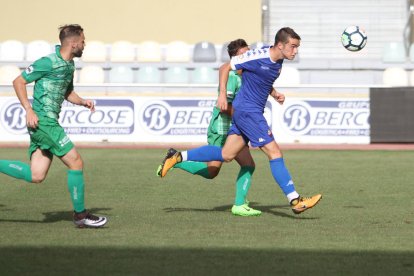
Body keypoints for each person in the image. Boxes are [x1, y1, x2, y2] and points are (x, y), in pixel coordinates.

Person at [159, 27, 322, 214]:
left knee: (227, 155)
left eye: (297, 47)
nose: (296, 51)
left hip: (246, 112)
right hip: (249, 113)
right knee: (274, 153)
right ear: (280, 45)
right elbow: (224, 67)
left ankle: (178, 157)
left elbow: (260, 79)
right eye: (293, 46)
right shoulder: (257, 57)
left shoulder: (278, 60)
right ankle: (295, 200)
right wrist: (222, 95)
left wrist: (275, 93)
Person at [0, 24, 107, 228]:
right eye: (83, 41)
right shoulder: (48, 62)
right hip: (43, 121)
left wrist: (83, 101)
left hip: (47, 122)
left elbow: (67, 93)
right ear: (74, 43)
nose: (84, 44)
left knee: (36, 175)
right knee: (76, 162)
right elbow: (18, 82)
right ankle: (80, 215)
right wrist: (28, 109)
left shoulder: (69, 65)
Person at [158, 39, 278, 216]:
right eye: (243, 54)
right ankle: (176, 160)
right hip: (223, 127)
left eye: (249, 52)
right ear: (235, 57)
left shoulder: (246, 73)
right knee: (213, 170)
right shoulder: (231, 77)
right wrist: (247, 117)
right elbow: (223, 106)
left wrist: (274, 94)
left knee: (244, 165)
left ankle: (239, 203)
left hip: (237, 127)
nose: (248, 56)